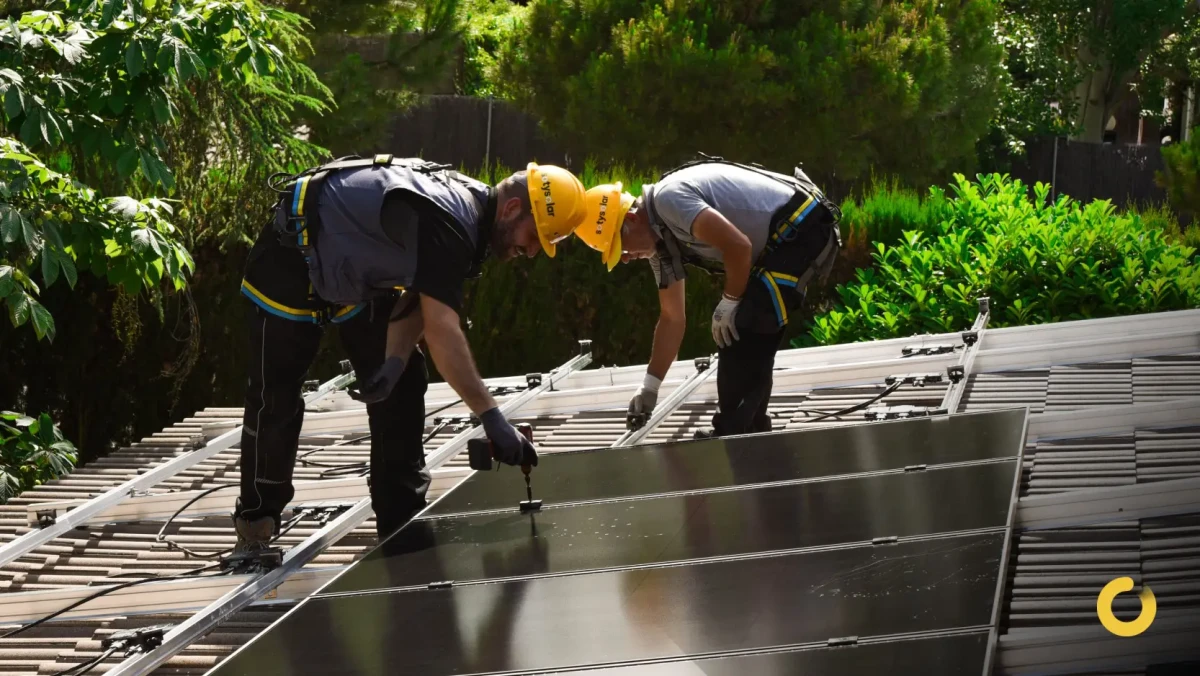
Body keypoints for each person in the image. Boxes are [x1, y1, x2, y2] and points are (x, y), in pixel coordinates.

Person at [233, 154, 588, 554]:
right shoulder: (450, 220)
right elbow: (442, 330)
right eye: (535, 237)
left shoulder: (473, 221)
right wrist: (491, 417)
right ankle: (257, 521)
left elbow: (421, 297)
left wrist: (394, 362)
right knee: (276, 396)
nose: (533, 251)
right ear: (511, 209)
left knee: (404, 384)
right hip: (292, 252)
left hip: (354, 269)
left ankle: (401, 518)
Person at [574, 155, 841, 440]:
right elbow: (672, 318)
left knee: (744, 323)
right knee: (749, 325)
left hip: (803, 227)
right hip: (786, 238)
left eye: (621, 247)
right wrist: (650, 387)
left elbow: (738, 247)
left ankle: (734, 433)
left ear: (630, 219)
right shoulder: (660, 243)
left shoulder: (669, 200)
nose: (626, 258)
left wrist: (730, 302)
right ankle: (751, 432)